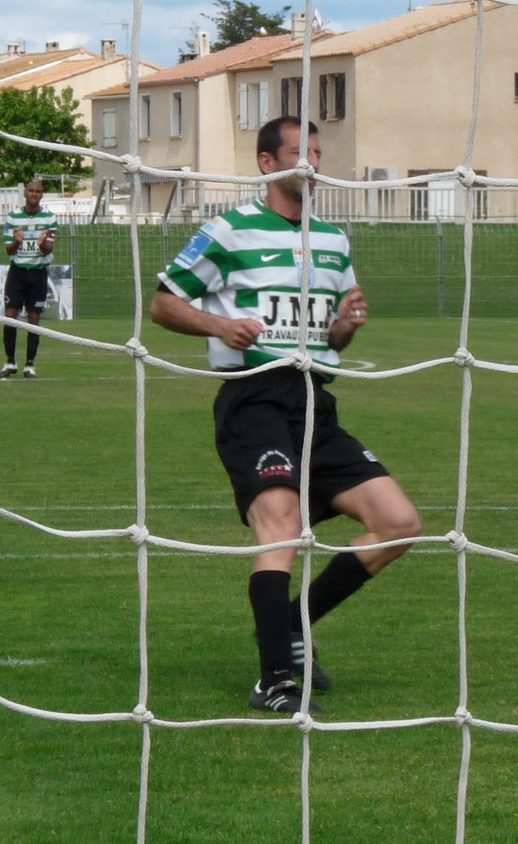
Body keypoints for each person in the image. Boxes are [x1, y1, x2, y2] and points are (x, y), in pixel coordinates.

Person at [151, 116, 420, 715]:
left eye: (318, 153)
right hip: (253, 400)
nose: (312, 164)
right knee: (283, 522)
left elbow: (334, 339)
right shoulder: (227, 230)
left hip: (314, 403)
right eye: (300, 153)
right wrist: (220, 324)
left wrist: (344, 327)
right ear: (268, 164)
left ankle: (292, 624)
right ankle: (274, 679)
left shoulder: (333, 240)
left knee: (399, 523)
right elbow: (163, 303)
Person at [0, 179, 57, 379]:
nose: (34, 194)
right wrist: (16, 242)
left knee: (34, 319)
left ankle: (30, 364)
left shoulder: (49, 217)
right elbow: (8, 250)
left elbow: (50, 248)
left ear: (42, 195)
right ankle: (9, 362)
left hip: (38, 272)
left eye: (38, 192)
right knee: (10, 316)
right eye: (31, 191)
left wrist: (42, 244)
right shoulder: (13, 217)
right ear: (25, 193)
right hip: (17, 272)